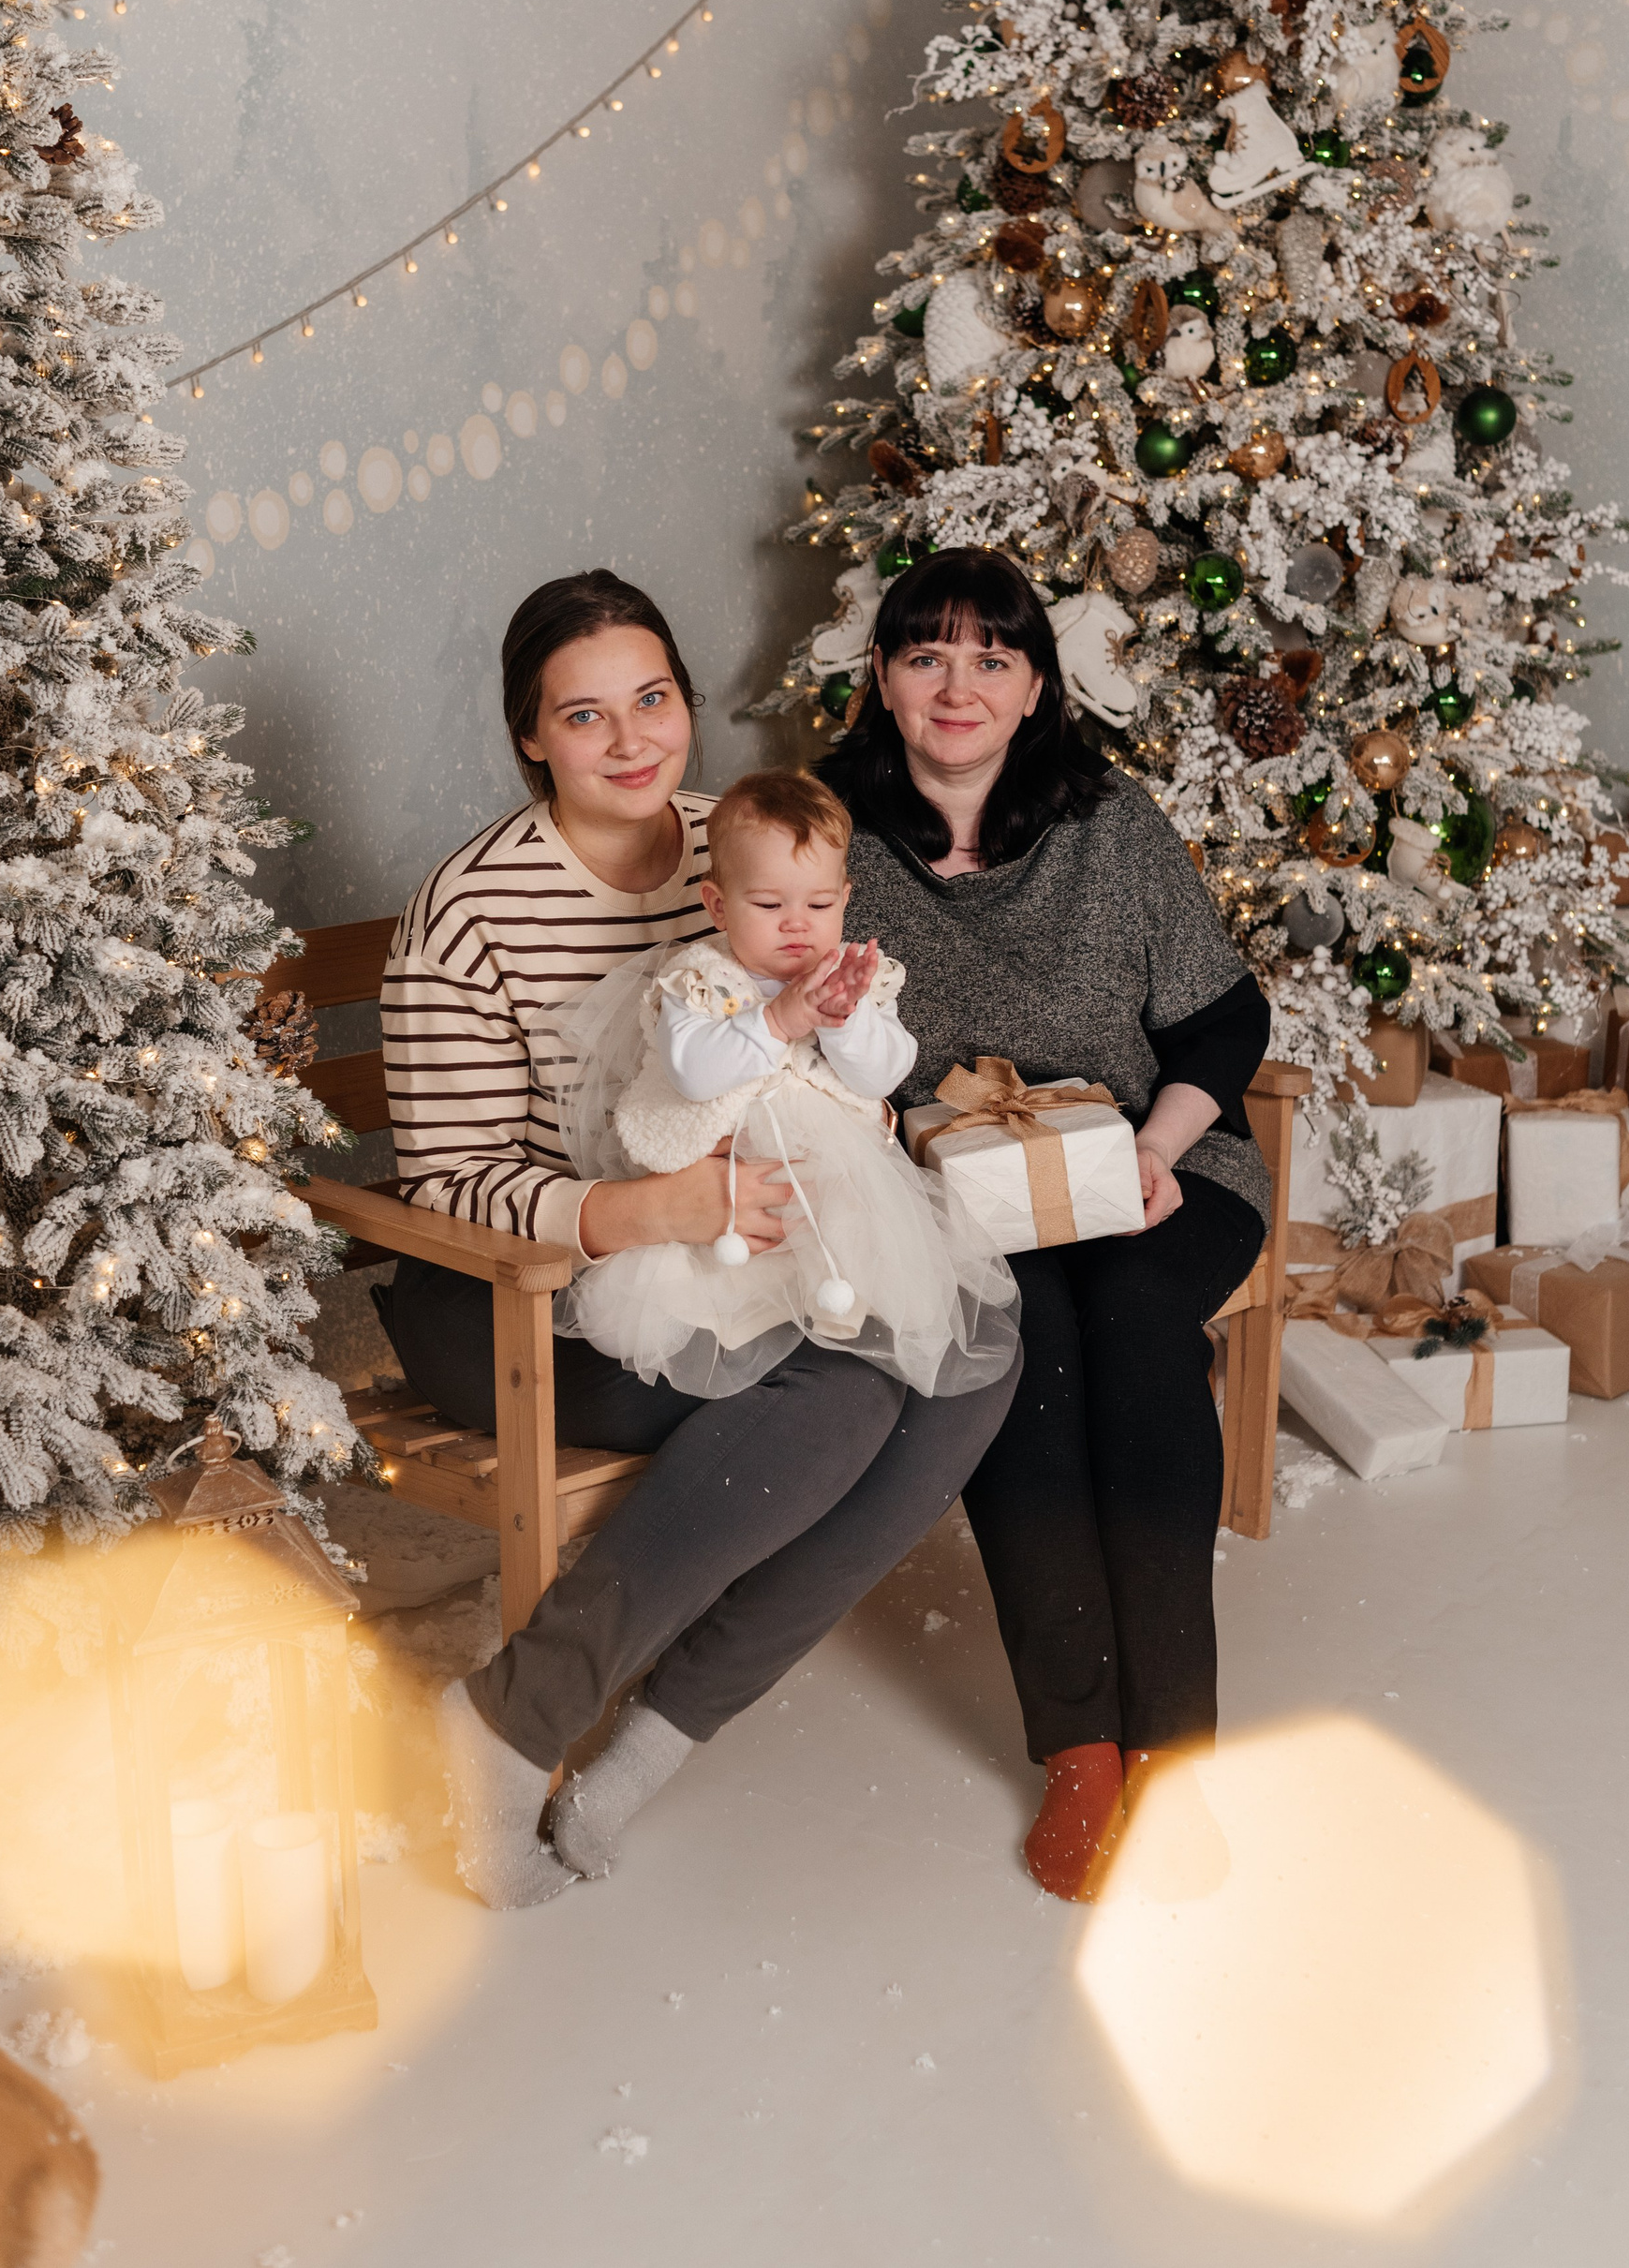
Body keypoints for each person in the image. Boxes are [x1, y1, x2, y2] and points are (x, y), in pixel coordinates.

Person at [376, 570, 1022, 1905]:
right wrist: (644, 1212)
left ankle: (647, 1747)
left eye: (654, 698)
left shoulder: (741, 847)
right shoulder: (469, 911)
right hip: (521, 1297)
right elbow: (444, 1182)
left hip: (744, 1261)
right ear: (530, 734)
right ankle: (510, 1721)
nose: (631, 740)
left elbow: (829, 1046)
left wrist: (854, 1104)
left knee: (967, 1363)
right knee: (841, 1393)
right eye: (585, 715)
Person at [819, 546, 1271, 1901]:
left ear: (1034, 689)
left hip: (1153, 1164)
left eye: (992, 657)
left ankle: (1173, 1748)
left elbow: (1223, 1020)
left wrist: (1156, 1149)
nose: (958, 686)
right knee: (1017, 1344)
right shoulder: (833, 835)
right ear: (882, 678)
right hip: (953, 1191)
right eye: (926, 655)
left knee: (1134, 1318)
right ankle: (1079, 1748)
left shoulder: (1107, 824)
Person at [551, 767, 1017, 1399]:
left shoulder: (855, 980)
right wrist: (777, 1020)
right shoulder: (699, 981)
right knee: (700, 1297)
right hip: (719, 1197)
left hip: (832, 1188)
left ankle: (833, 1330)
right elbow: (693, 1074)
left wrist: (846, 1021)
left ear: (845, 899)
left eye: (819, 905)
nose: (797, 924)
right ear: (718, 905)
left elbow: (885, 1074)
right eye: (769, 906)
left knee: (865, 1282)